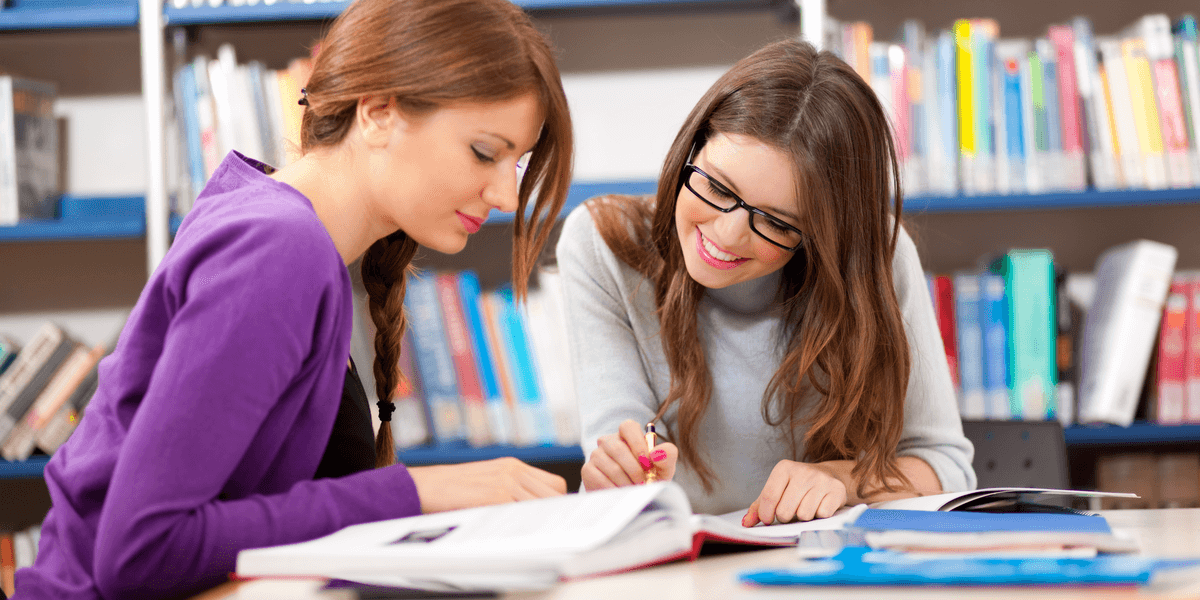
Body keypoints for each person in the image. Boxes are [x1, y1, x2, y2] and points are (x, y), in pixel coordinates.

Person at [15, 0, 573, 597]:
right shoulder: (279, 250)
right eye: (485, 152)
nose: (507, 197)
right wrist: (415, 494)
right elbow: (141, 549)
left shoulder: (281, 229)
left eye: (518, 162)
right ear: (379, 112)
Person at [556, 38, 975, 525]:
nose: (726, 235)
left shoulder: (877, 252)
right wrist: (625, 471)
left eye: (777, 223)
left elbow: (946, 467)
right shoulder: (601, 245)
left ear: (822, 236)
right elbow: (621, 454)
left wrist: (844, 480)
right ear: (691, 146)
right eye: (715, 187)